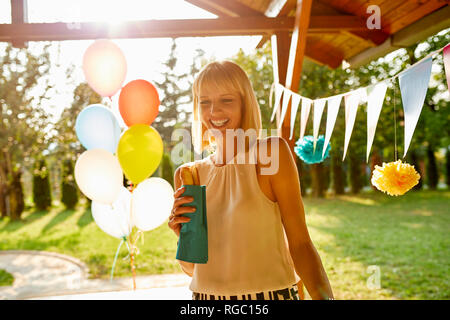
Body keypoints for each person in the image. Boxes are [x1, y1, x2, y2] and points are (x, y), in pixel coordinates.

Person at [168, 60, 333, 300]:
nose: (214, 112)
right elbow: (193, 269)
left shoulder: (271, 154)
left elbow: (301, 245)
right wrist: (183, 237)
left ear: (245, 103)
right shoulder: (189, 174)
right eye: (205, 102)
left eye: (226, 100)